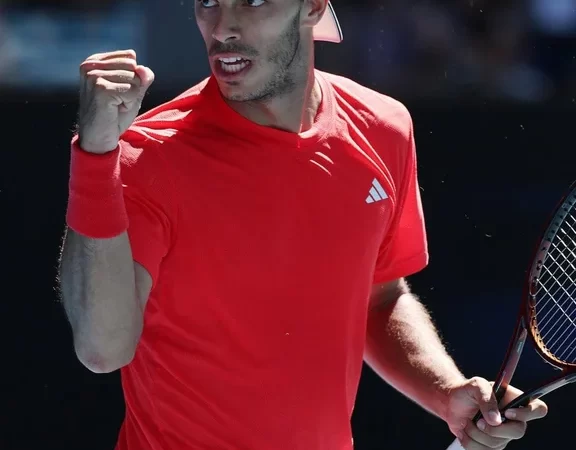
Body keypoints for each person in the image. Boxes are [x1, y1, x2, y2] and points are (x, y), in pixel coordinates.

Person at [58, 1, 548, 449]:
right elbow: (102, 350)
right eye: (207, 1)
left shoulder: (384, 127)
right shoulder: (147, 156)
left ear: (312, 7)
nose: (223, 26)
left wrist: (445, 392)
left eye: (252, 1)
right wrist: (96, 155)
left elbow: (379, 296)